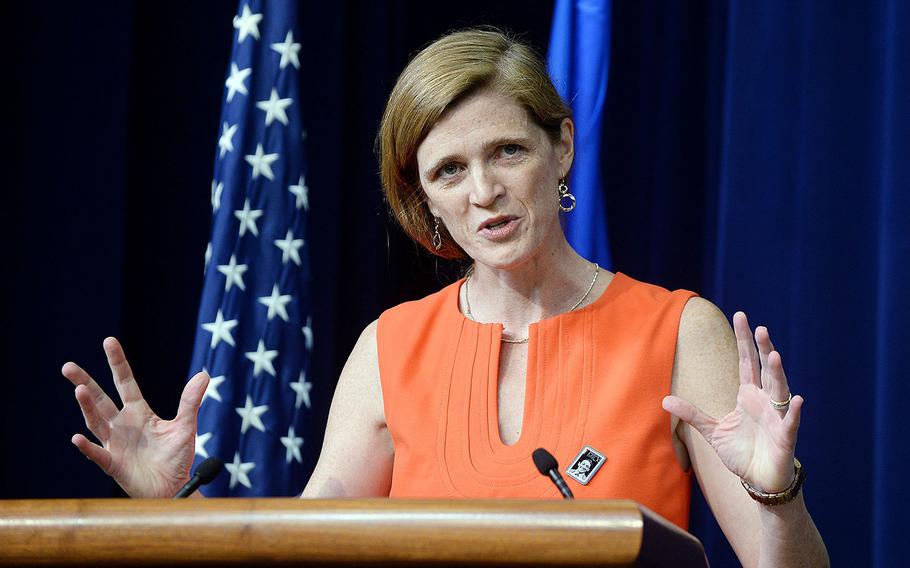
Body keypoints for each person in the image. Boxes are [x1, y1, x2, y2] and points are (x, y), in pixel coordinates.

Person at [62, 28, 828, 567]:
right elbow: (303, 554)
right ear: (423, 196)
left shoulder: (677, 331)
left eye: (508, 151)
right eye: (449, 171)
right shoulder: (391, 348)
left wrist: (776, 491)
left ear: (561, 144)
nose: (485, 192)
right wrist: (175, 506)